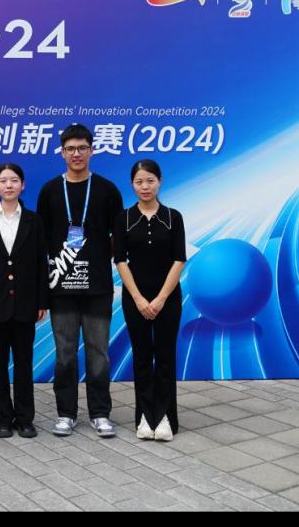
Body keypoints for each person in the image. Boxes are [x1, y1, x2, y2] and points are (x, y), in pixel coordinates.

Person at [37, 123, 123, 438]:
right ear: (62, 153)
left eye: (82, 148)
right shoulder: (49, 190)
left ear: (92, 150)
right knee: (65, 353)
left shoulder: (107, 190)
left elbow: (118, 238)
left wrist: (98, 258)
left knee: (98, 352)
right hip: (61, 287)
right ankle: (66, 413)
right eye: (70, 149)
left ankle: (100, 413)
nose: (76, 154)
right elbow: (42, 240)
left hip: (97, 286)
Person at [0, 163, 49, 438]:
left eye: (14, 180)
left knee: (24, 363)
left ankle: (25, 418)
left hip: (26, 303)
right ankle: (4, 418)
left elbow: (41, 263)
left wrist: (42, 301)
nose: (8, 185)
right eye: (3, 181)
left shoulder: (34, 221)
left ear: (23, 185)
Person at [113, 160, 186, 441]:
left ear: (160, 181)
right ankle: (145, 416)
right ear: (132, 184)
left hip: (168, 298)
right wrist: (139, 299)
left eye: (150, 180)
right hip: (135, 299)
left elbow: (179, 259)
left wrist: (161, 298)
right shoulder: (124, 218)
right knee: (142, 356)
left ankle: (165, 418)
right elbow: (120, 260)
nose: (145, 186)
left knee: (165, 356)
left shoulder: (173, 217)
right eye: (139, 181)